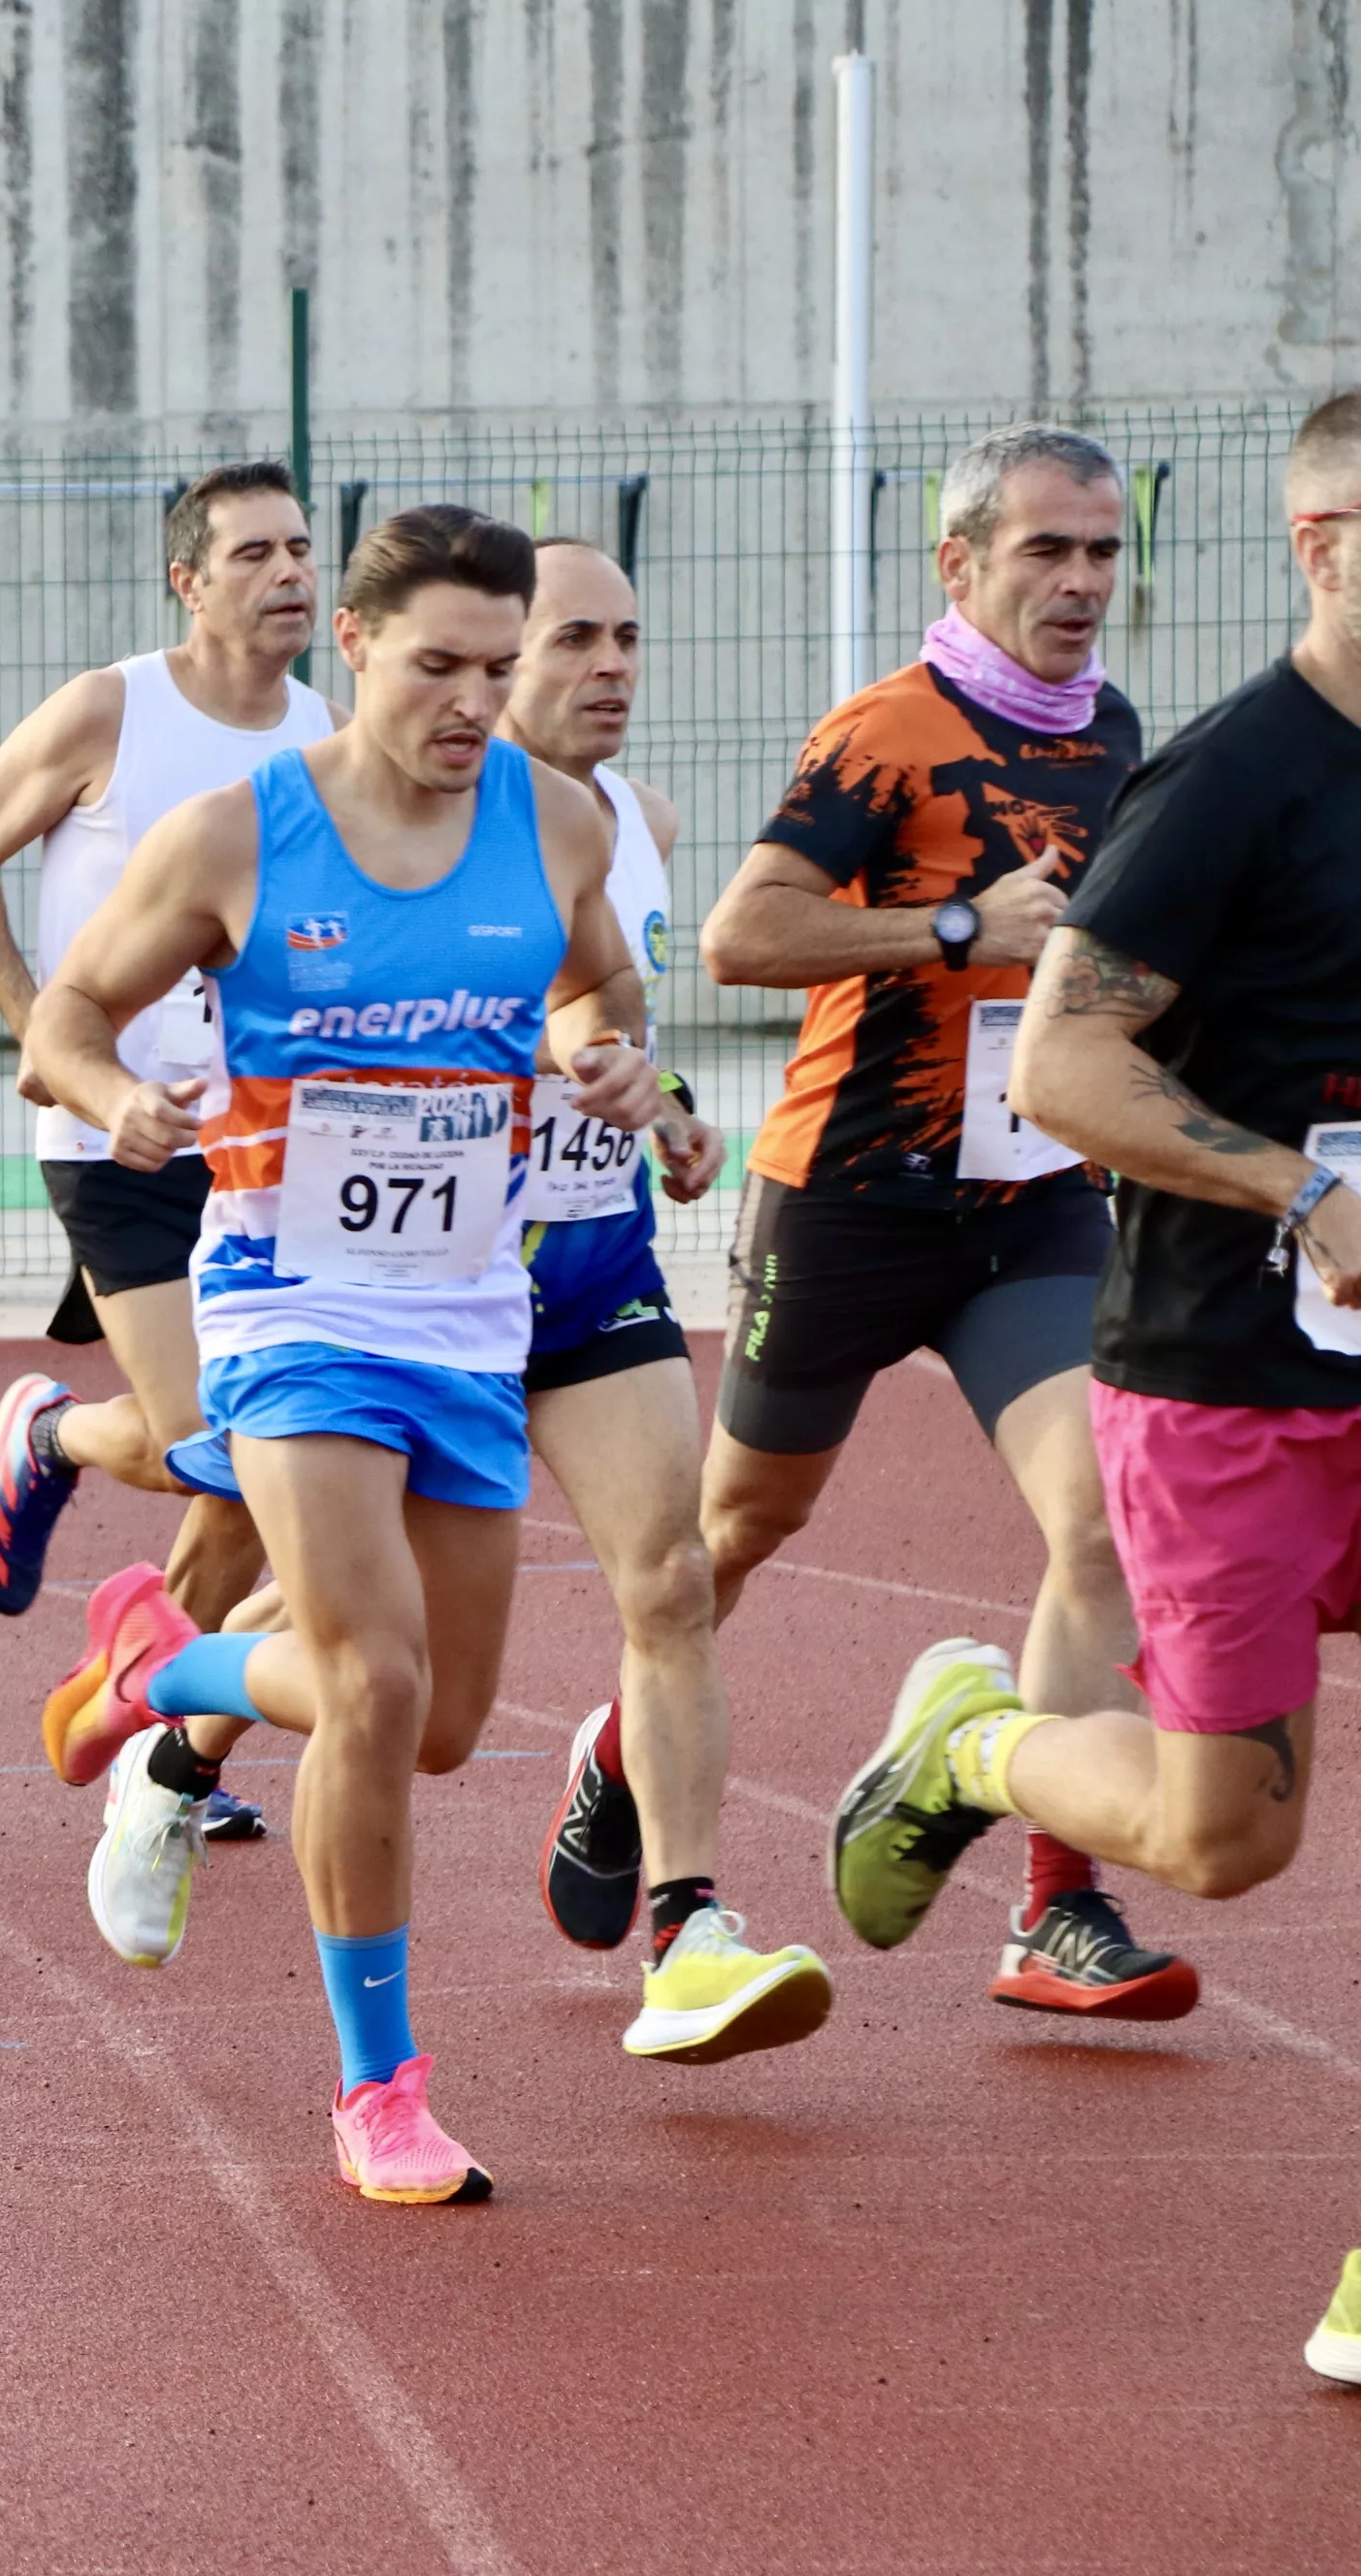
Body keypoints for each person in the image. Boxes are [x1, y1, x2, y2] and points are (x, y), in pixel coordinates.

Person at [821, 391, 1361, 2379]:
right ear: (1323, 546)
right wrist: (1292, 1181)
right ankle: (973, 1737)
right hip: (1229, 1371)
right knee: (1226, 1839)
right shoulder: (1232, 780)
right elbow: (1060, 1069)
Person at [28, 505, 658, 2205]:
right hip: (283, 1297)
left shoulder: (552, 821)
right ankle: (376, 2088)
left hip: (466, 1308)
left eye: (494, 666)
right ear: (356, 649)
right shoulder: (238, 835)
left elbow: (602, 991)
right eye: (435, 663)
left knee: (439, 1722)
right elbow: (60, 1021)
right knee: (366, 1685)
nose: (469, 700)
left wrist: (611, 1065)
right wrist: (117, 1101)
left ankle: (164, 1671)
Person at [695, 424, 1183, 2017]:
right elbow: (740, 933)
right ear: (956, 563)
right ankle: (624, 1745)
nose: (1077, 581)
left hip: (1025, 1205)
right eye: (1042, 549)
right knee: (733, 1535)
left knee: (1097, 1522)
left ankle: (1050, 1902)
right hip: (839, 1199)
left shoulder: (1112, 733)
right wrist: (957, 921)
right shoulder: (881, 734)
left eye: (1099, 550)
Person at [479, 542, 831, 2059]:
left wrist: (670, 1106)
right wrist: (559, 1051)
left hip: (594, 1258)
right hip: (430, 1279)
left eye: (630, 636)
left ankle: (688, 1929)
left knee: (672, 1580)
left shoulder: (648, 819)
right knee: (377, 1638)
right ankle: (179, 1727)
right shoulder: (412, 816)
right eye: (577, 639)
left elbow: (628, 1030)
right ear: (498, 658)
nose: (613, 665)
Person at [0, 464, 327, 1662]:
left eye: (301, 549)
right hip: (114, 1136)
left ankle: (167, 1739)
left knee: (267, 1458)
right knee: (202, 1444)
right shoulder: (111, 710)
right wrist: (39, 1031)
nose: (288, 573)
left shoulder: (329, 737)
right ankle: (48, 1441)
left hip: (266, 1151)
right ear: (188, 584)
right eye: (252, 554)